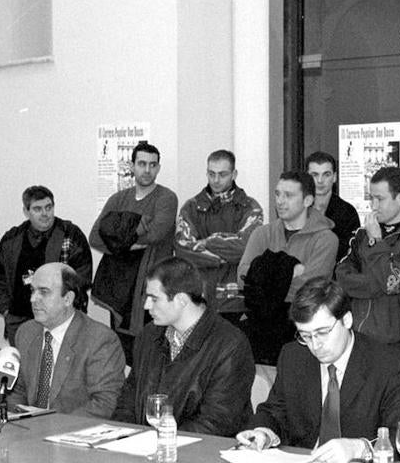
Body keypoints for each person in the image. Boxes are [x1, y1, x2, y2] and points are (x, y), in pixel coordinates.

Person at [235, 278, 400, 463]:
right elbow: (275, 411)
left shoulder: (391, 365)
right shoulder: (294, 356)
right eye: (305, 336)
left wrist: (360, 448)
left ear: (346, 320)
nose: (315, 345)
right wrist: (263, 432)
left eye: (322, 332)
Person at [112, 256, 254, 437]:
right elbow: (128, 399)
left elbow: (216, 422)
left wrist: (158, 442)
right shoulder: (148, 335)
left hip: (203, 456)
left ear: (181, 300)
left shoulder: (230, 345)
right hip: (145, 450)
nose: (146, 306)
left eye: (154, 299)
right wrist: (124, 438)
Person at [238, 171, 338, 364]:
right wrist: (289, 270)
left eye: (289, 195)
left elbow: (309, 289)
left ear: (308, 200)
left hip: (302, 329)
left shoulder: (326, 239)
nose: (280, 201)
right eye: (277, 194)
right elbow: (242, 278)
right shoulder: (262, 233)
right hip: (259, 328)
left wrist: (263, 274)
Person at [335, 166, 400, 382]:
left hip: (396, 344)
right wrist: (375, 284)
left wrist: (375, 242)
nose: (373, 206)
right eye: (371, 198)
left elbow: (392, 282)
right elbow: (341, 277)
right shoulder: (360, 235)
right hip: (356, 338)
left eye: (380, 199)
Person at [90, 141, 177, 361]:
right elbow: (95, 237)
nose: (147, 170)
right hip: (120, 291)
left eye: (152, 165)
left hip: (152, 291)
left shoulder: (166, 198)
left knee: (152, 355)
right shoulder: (118, 199)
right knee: (123, 355)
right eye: (142, 163)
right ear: (132, 166)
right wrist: (135, 233)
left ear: (158, 167)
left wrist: (118, 236)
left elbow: (156, 234)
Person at [10, 263, 126, 418]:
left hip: (74, 432)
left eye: (44, 292)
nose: (33, 299)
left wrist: (52, 428)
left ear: (68, 298)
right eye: (32, 291)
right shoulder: (26, 332)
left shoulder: (99, 340)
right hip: (28, 431)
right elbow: (17, 391)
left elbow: (104, 404)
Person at [0, 186, 93, 347]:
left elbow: (82, 277)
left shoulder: (71, 235)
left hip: (60, 320)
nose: (45, 213)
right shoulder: (12, 239)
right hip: (19, 320)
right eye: (37, 209)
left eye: (48, 207)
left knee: (59, 368)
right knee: (25, 369)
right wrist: (6, 310)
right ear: (26, 211)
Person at [173, 149, 263, 321]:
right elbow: (182, 248)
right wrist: (221, 258)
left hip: (236, 302)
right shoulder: (191, 207)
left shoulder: (251, 207)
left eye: (222, 174)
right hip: (198, 300)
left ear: (234, 174)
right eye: (211, 174)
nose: (216, 180)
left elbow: (246, 247)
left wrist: (207, 242)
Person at [306, 151, 360, 262]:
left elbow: (351, 254)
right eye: (314, 175)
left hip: (336, 276)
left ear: (334, 177)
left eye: (326, 174)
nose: (320, 181)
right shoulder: (297, 209)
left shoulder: (347, 212)